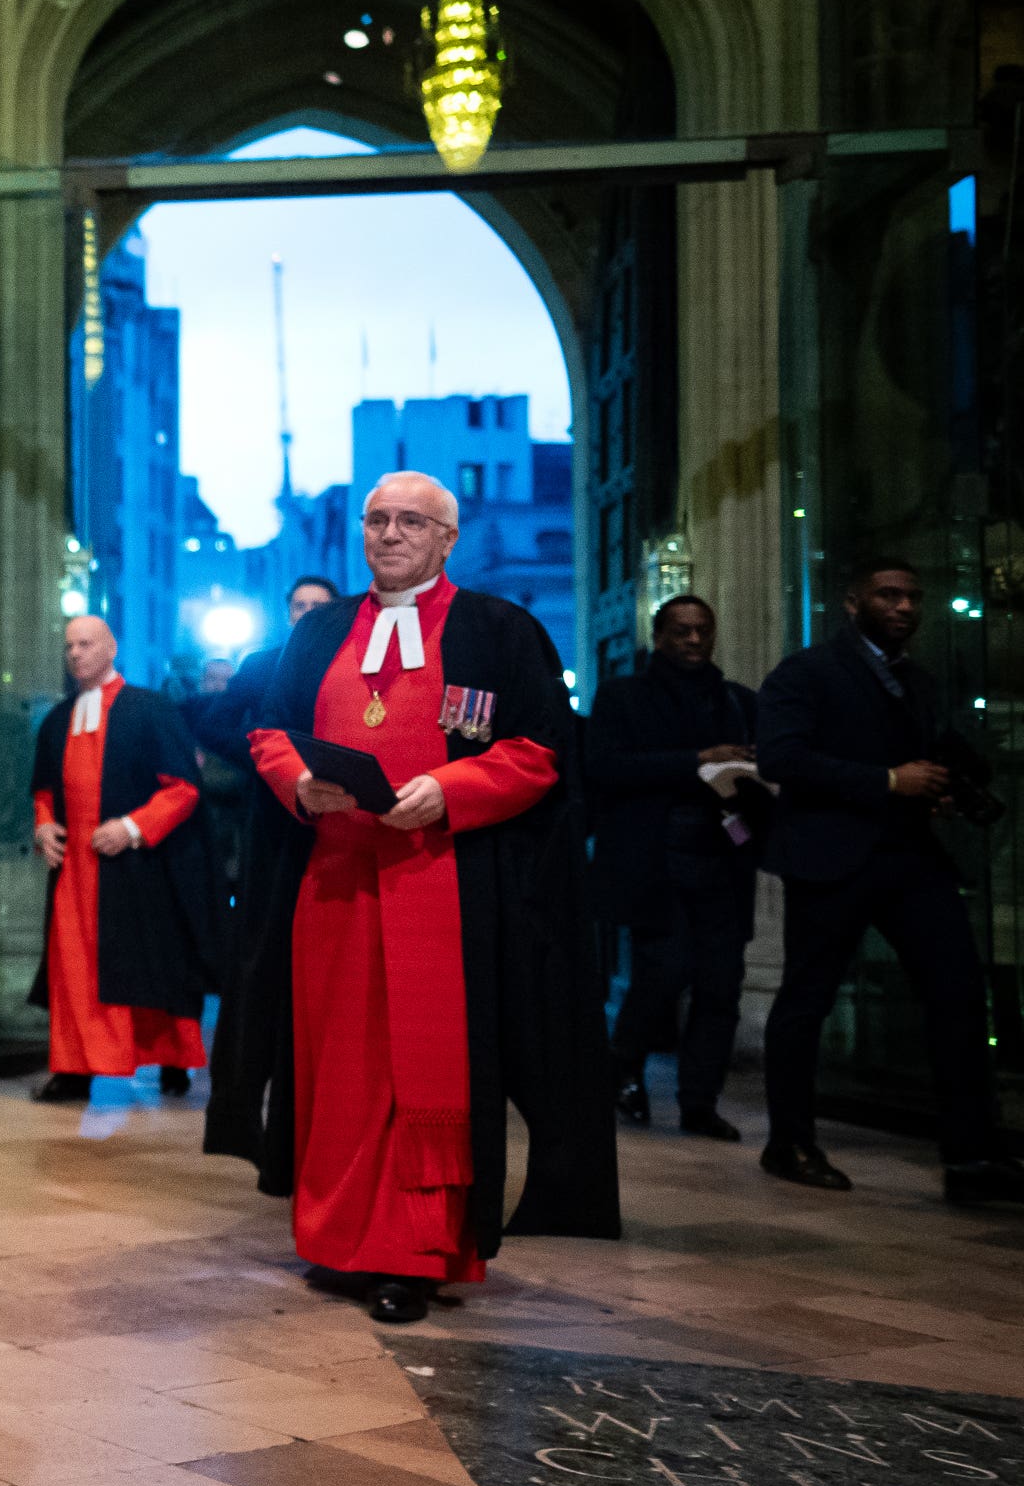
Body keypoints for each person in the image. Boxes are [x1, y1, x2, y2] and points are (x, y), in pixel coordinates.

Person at [205, 471, 619, 1324]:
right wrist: (300, 782)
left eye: (410, 522)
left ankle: (412, 1253)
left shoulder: (499, 631)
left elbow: (540, 752)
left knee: (422, 1073)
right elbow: (268, 729)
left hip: (441, 889)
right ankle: (337, 1241)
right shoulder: (319, 629)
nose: (389, 535)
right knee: (339, 1067)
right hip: (334, 891)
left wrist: (452, 789)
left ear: (446, 538)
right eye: (377, 520)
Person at [756, 559, 1024, 1204]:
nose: (904, 606)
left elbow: (941, 748)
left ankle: (973, 1156)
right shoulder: (807, 671)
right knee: (807, 1001)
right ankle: (789, 1143)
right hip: (831, 856)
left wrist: (944, 784)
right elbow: (780, 758)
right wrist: (887, 780)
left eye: (913, 596)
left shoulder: (920, 681)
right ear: (854, 602)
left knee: (959, 995)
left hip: (910, 858)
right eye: (889, 594)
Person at [588, 595, 760, 1143]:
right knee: (661, 974)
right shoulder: (623, 696)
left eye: (702, 631)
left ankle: (699, 1103)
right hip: (653, 859)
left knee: (721, 982)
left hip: (723, 857)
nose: (693, 640)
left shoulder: (738, 701)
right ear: (658, 636)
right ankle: (620, 1070)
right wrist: (696, 761)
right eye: (681, 631)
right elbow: (605, 768)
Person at [29, 615, 214, 1105]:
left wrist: (132, 828)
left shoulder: (151, 709)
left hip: (138, 868)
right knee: (73, 970)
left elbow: (184, 789)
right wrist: (44, 826)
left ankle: (172, 1060)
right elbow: (44, 790)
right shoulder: (56, 719)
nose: (75, 654)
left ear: (111, 648)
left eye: (85, 644)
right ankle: (73, 1068)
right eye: (69, 645)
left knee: (150, 967)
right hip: (74, 871)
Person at [192, 575, 342, 763]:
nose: (308, 613)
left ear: (334, 615)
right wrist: (262, 753)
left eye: (318, 606)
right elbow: (213, 727)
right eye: (300, 606)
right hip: (270, 782)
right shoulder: (258, 665)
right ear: (289, 615)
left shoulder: (350, 661)